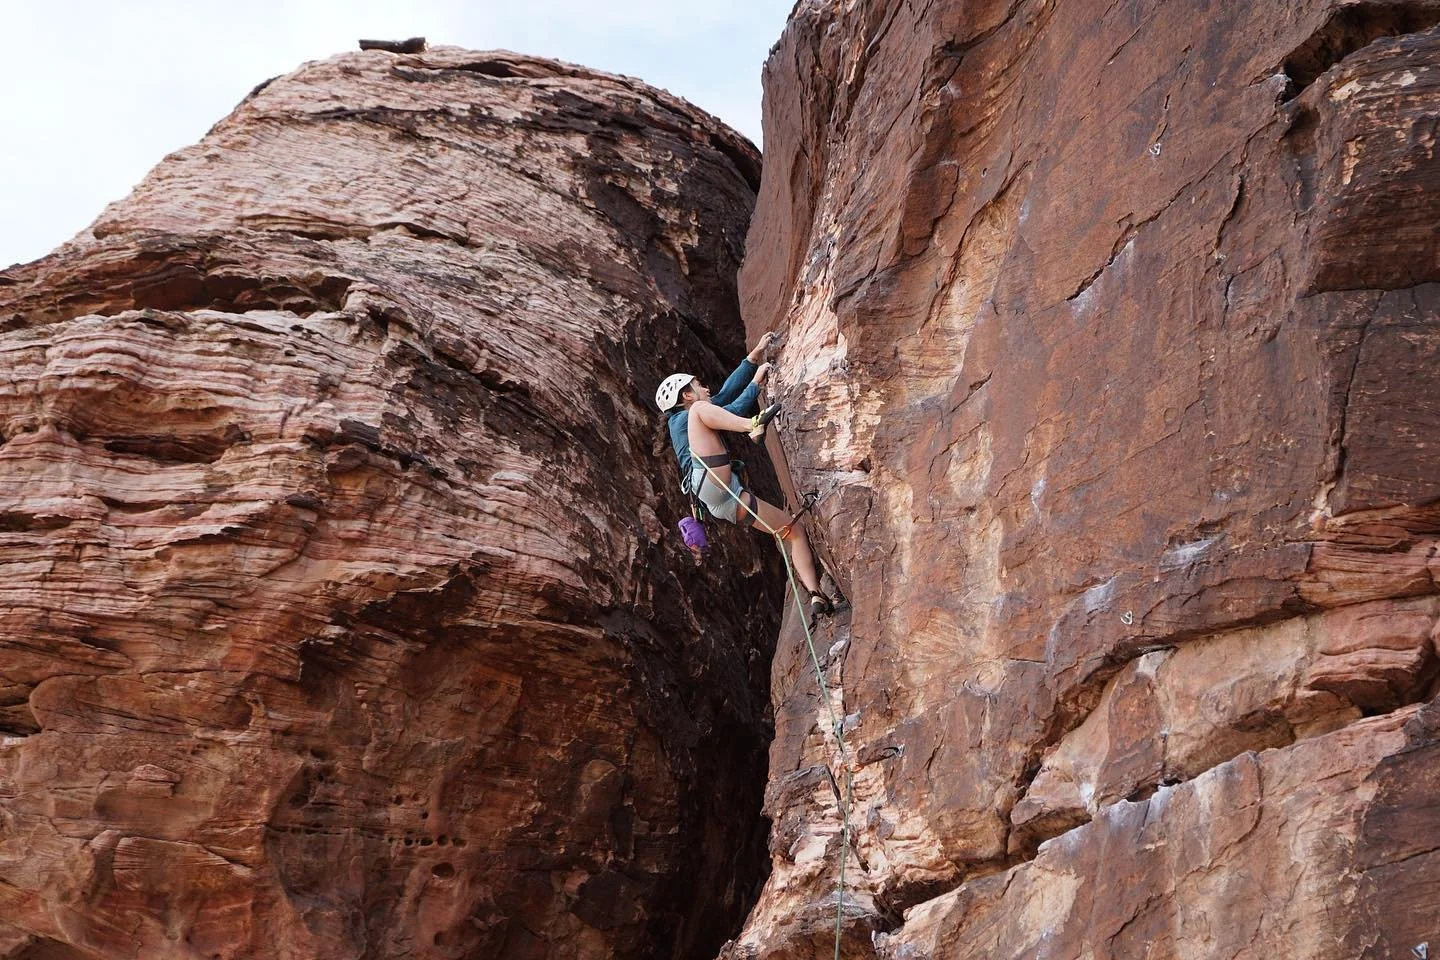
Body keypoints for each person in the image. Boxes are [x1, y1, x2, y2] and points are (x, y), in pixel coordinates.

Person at [656, 332, 833, 616]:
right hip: (709, 480)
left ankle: (815, 594)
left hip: (726, 501)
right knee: (704, 410)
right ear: (686, 395)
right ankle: (753, 426)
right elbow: (732, 407)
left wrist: (754, 357)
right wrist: (753, 388)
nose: (705, 387)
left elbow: (724, 397)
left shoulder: (697, 414)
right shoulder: (685, 418)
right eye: (698, 385)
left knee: (792, 531)